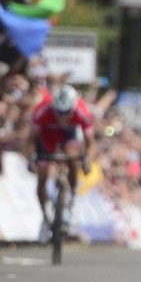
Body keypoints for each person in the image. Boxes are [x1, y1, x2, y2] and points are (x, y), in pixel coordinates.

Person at [30, 84, 95, 235]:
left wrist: (87, 161)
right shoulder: (43, 110)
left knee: (73, 158)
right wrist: (31, 158)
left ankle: (70, 197)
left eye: (66, 112)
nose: (63, 116)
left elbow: (91, 144)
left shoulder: (82, 112)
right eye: (59, 112)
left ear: (73, 107)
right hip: (47, 135)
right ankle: (45, 216)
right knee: (43, 171)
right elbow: (30, 139)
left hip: (69, 135)